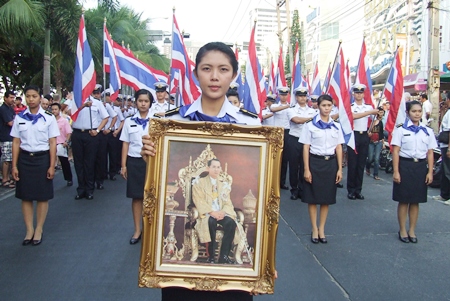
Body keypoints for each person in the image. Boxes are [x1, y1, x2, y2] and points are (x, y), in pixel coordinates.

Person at [141, 41, 263, 301]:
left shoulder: (252, 126)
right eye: (207, 69)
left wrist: (263, 262)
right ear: (196, 73)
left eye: (223, 69)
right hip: (185, 274)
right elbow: (159, 178)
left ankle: (230, 258)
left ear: (233, 75)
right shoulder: (172, 122)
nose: (215, 77)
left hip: (233, 282)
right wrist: (150, 155)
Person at [11, 85, 59, 246]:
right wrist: (14, 165)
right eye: (28, 96)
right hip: (25, 159)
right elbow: (16, 142)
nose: (31, 99)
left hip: (42, 158)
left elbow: (53, 143)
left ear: (40, 98)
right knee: (25, 195)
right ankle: (29, 229)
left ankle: (39, 228)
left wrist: (52, 165)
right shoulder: (20, 117)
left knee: (42, 195)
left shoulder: (48, 118)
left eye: (34, 96)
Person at [299, 94, 344, 244]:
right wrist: (306, 168)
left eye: (329, 105)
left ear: (332, 107)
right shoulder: (310, 125)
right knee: (312, 198)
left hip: (330, 164)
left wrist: (339, 169)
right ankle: (314, 228)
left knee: (326, 199)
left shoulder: (336, 125)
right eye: (324, 105)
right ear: (318, 106)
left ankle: (322, 228)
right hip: (314, 163)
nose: (326, 108)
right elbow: (306, 147)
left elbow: (339, 147)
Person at [391, 100, 437, 243]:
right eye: (413, 111)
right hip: (405, 166)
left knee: (416, 200)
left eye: (419, 111)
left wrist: (430, 172)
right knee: (404, 200)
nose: (417, 114)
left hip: (420, 167)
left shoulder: (427, 131)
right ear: (407, 113)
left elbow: (430, 153)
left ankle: (412, 230)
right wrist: (396, 171)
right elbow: (396, 151)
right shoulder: (401, 130)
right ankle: (403, 229)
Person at [192, 158, 242, 264]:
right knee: (210, 222)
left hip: (221, 213)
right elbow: (198, 200)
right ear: (208, 168)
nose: (216, 169)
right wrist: (212, 212)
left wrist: (223, 212)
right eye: (213, 167)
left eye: (218, 167)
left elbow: (227, 202)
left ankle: (224, 256)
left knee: (230, 223)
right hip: (207, 214)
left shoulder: (223, 184)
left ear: (220, 169)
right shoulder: (199, 183)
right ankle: (211, 257)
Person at [120, 89, 153, 244]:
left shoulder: (157, 121)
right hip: (134, 161)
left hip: (152, 162)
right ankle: (137, 230)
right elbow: (125, 143)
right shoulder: (129, 121)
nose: (143, 104)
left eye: (146, 101)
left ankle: (151, 229)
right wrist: (123, 165)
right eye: (140, 101)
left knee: (152, 197)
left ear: (150, 103)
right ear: (136, 102)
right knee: (136, 197)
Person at [69, 84, 109, 200]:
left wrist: (97, 130)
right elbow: (68, 113)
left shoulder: (97, 103)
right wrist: (82, 106)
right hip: (77, 133)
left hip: (91, 135)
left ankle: (89, 189)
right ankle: (81, 188)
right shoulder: (75, 102)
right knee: (78, 163)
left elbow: (105, 117)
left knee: (90, 162)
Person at [347, 84, 379, 200]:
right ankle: (350, 190)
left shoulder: (369, 106)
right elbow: (353, 117)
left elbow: (375, 121)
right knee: (352, 165)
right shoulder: (351, 106)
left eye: (361, 93)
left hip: (364, 135)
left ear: (364, 94)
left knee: (361, 164)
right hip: (354, 135)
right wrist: (370, 112)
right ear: (353, 94)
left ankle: (358, 190)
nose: (359, 94)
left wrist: (378, 114)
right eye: (357, 93)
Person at [287, 87, 316, 200]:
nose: (302, 98)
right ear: (296, 97)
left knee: (305, 165)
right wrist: (311, 119)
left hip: (308, 141)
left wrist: (312, 118)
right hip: (295, 139)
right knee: (294, 166)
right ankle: (294, 189)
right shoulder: (292, 109)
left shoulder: (313, 111)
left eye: (304, 96)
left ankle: (303, 189)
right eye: (300, 96)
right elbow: (296, 120)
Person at [95, 92, 117, 190]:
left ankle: (101, 178)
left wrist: (110, 128)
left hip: (103, 133)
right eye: (94, 93)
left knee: (102, 157)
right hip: (93, 132)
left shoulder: (105, 105)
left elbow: (114, 117)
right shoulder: (90, 104)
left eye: (97, 93)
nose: (96, 95)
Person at [270, 86, 291, 189]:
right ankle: (272, 180)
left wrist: (289, 106)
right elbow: (273, 109)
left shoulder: (292, 107)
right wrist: (286, 107)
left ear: (288, 95)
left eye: (285, 94)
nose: (283, 96)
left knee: (284, 159)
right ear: (279, 95)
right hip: (276, 133)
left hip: (287, 132)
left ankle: (281, 182)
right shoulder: (275, 105)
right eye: (282, 94)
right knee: (274, 157)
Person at [50, 103, 73, 186]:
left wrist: (66, 141)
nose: (54, 111)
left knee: (64, 162)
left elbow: (69, 132)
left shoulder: (64, 121)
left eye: (56, 109)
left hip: (60, 144)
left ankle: (69, 178)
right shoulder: (49, 120)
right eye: (52, 109)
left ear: (59, 110)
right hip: (50, 144)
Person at [433, 92, 450, 204]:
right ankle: (444, 194)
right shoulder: (447, 112)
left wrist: (449, 148)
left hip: (447, 146)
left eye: (446, 99)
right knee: (444, 171)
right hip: (443, 145)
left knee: (448, 171)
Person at [0, 91, 16, 188]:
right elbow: (10, 122)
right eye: (10, 97)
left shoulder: (10, 109)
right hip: (5, 136)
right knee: (6, 159)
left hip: (11, 136)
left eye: (13, 97)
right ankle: (5, 179)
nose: (12, 100)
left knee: (10, 159)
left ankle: (8, 177)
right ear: (5, 98)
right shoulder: (3, 109)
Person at [365, 107, 385, 180]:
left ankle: (375, 174)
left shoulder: (380, 122)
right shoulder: (370, 123)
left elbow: (381, 133)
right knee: (370, 158)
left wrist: (383, 143)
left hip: (378, 142)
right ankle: (367, 167)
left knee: (376, 159)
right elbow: (367, 132)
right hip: (371, 142)